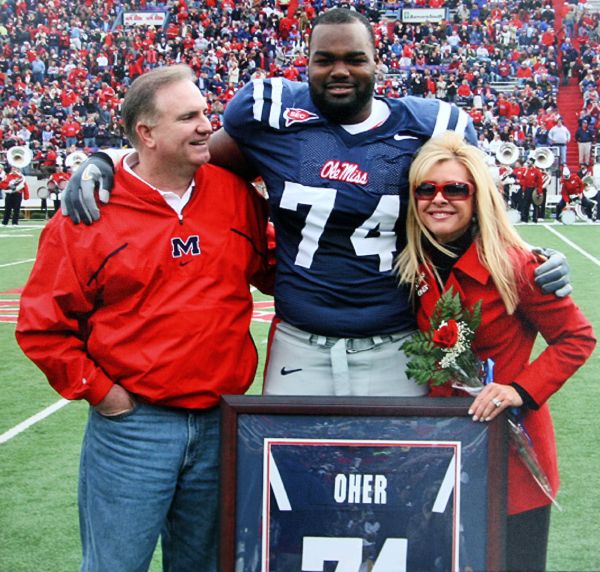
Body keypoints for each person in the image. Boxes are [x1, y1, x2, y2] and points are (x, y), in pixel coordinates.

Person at [61, 9, 571, 398]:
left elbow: (470, 207)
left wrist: (533, 258)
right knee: (294, 495)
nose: (339, 70)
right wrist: (111, 158)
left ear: (378, 64)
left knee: (392, 491)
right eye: (324, 59)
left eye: (354, 58)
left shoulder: (431, 126)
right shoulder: (269, 113)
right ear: (305, 64)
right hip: (299, 342)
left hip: (394, 344)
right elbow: (192, 165)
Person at [16, 65, 273, 572]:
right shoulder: (88, 214)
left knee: (205, 565)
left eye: (206, 112)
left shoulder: (234, 195)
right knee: (116, 564)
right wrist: (105, 396)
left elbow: (277, 272)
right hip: (135, 428)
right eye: (190, 117)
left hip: (222, 420)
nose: (207, 126)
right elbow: (42, 326)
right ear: (147, 133)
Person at [396, 131, 595, 572]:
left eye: (455, 188)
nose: (439, 199)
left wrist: (518, 390)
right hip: (439, 453)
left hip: (511, 459)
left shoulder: (516, 265)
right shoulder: (415, 262)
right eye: (425, 189)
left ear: (478, 196)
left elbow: (577, 337)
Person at [517, 157, 544, 223]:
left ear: (532, 163)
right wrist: (523, 190)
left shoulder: (537, 171)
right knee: (526, 204)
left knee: (535, 204)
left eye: (530, 162)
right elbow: (523, 180)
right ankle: (525, 219)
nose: (528, 163)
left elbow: (540, 182)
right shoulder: (526, 171)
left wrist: (539, 191)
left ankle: (535, 219)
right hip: (527, 189)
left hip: (534, 189)